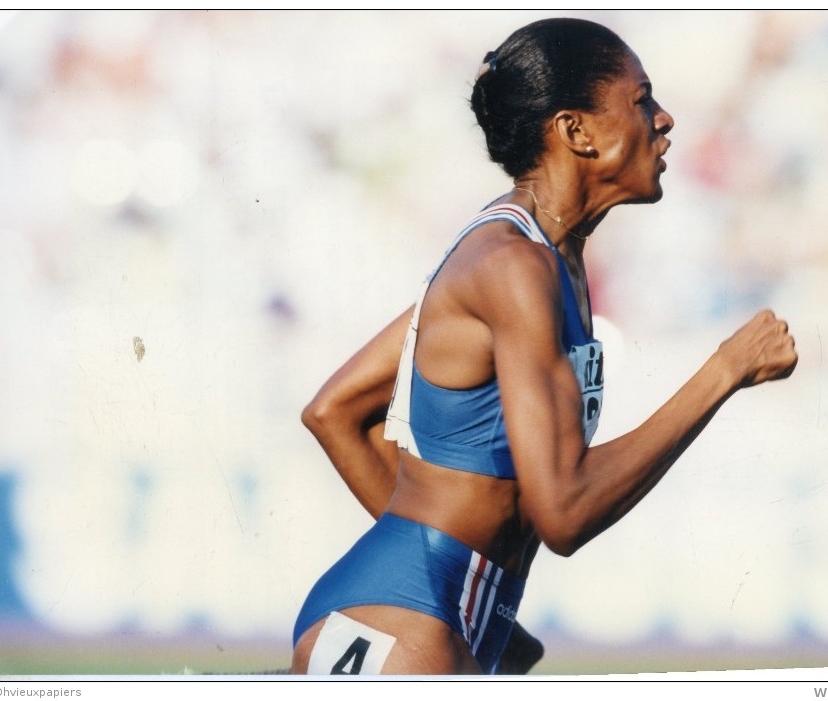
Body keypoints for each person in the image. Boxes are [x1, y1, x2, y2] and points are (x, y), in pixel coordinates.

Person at [290, 17, 797, 676]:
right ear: (576, 131)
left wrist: (477, 595)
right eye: (641, 100)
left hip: (427, 613)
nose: (665, 119)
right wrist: (723, 372)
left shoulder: (533, 254)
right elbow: (564, 511)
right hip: (402, 625)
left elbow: (335, 408)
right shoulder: (514, 267)